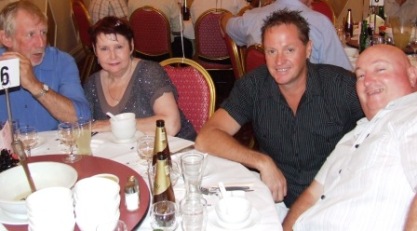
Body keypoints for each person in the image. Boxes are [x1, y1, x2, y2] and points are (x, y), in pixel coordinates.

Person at [195, 9, 363, 213]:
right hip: (277, 201)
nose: (279, 61)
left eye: (289, 50)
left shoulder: (341, 86)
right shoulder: (254, 86)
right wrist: (262, 162)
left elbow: (383, 126)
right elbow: (206, 137)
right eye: (271, 51)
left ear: (308, 49)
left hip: (332, 201)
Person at [282, 44, 417, 230]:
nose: (367, 81)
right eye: (360, 75)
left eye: (380, 69)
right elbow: (312, 195)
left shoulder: (411, 116)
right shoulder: (354, 135)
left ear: (412, 75)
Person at [84, 16, 196, 141]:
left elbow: (171, 125)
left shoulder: (149, 72)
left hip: (174, 151)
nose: (112, 56)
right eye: (104, 49)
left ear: (131, 46)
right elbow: (84, 128)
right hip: (128, 153)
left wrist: (114, 125)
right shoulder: (92, 83)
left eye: (119, 47)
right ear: (95, 50)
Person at [0, 0, 90, 131]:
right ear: (6, 38)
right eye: (31, 35)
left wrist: (34, 85)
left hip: (54, 147)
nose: (41, 43)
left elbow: (82, 119)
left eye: (43, 32)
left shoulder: (62, 62)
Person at [221, 0, 353, 71]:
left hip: (259, 108)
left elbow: (227, 24)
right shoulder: (321, 23)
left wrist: (225, 17)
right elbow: (344, 76)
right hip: (309, 112)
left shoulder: (251, 18)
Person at [127, 0, 193, 59]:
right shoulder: (170, 2)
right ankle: (179, 71)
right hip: (165, 54)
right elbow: (178, 30)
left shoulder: (131, 2)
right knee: (187, 44)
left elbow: (129, 26)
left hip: (139, 53)